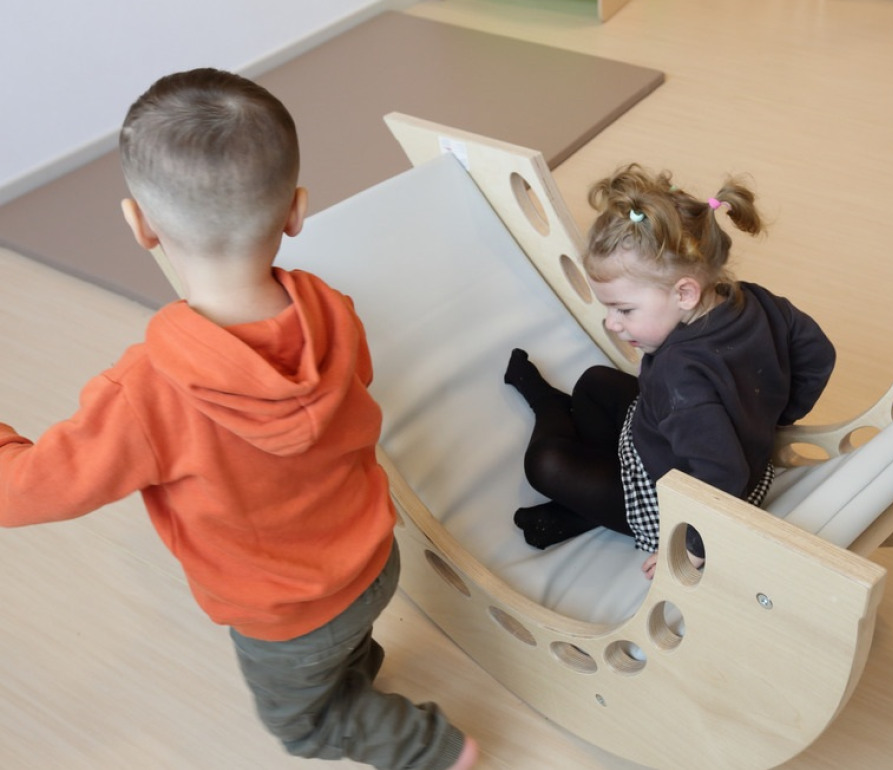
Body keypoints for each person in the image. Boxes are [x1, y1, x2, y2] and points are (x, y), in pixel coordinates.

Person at [0, 69, 477, 770]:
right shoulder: (332, 309)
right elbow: (358, 384)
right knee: (345, 645)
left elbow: (25, 490)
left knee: (302, 725)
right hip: (375, 558)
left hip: (286, 618)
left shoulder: (146, 393)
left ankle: (428, 747)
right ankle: (349, 675)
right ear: (296, 211)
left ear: (141, 226)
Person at [504, 163, 836, 579]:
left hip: (689, 501)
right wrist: (772, 416)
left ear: (684, 293)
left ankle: (548, 405)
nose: (612, 323)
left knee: (546, 464)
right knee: (593, 383)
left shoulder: (681, 378)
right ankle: (588, 508)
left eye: (624, 309)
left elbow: (722, 474)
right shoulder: (750, 299)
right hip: (699, 447)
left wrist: (689, 548)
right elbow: (818, 353)